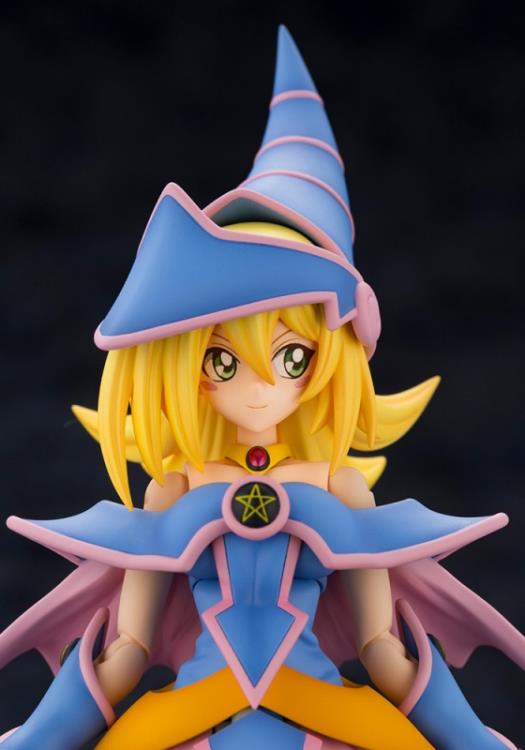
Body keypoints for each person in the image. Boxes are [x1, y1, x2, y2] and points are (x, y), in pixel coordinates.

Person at [0, 25, 523, 750]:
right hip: (193, 715)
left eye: (291, 358)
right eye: (222, 362)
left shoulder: (342, 489)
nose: (259, 387)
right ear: (179, 365)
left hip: (322, 713)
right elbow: (128, 650)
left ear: (329, 361)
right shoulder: (172, 489)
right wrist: (42, 736)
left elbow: (381, 649)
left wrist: (467, 738)